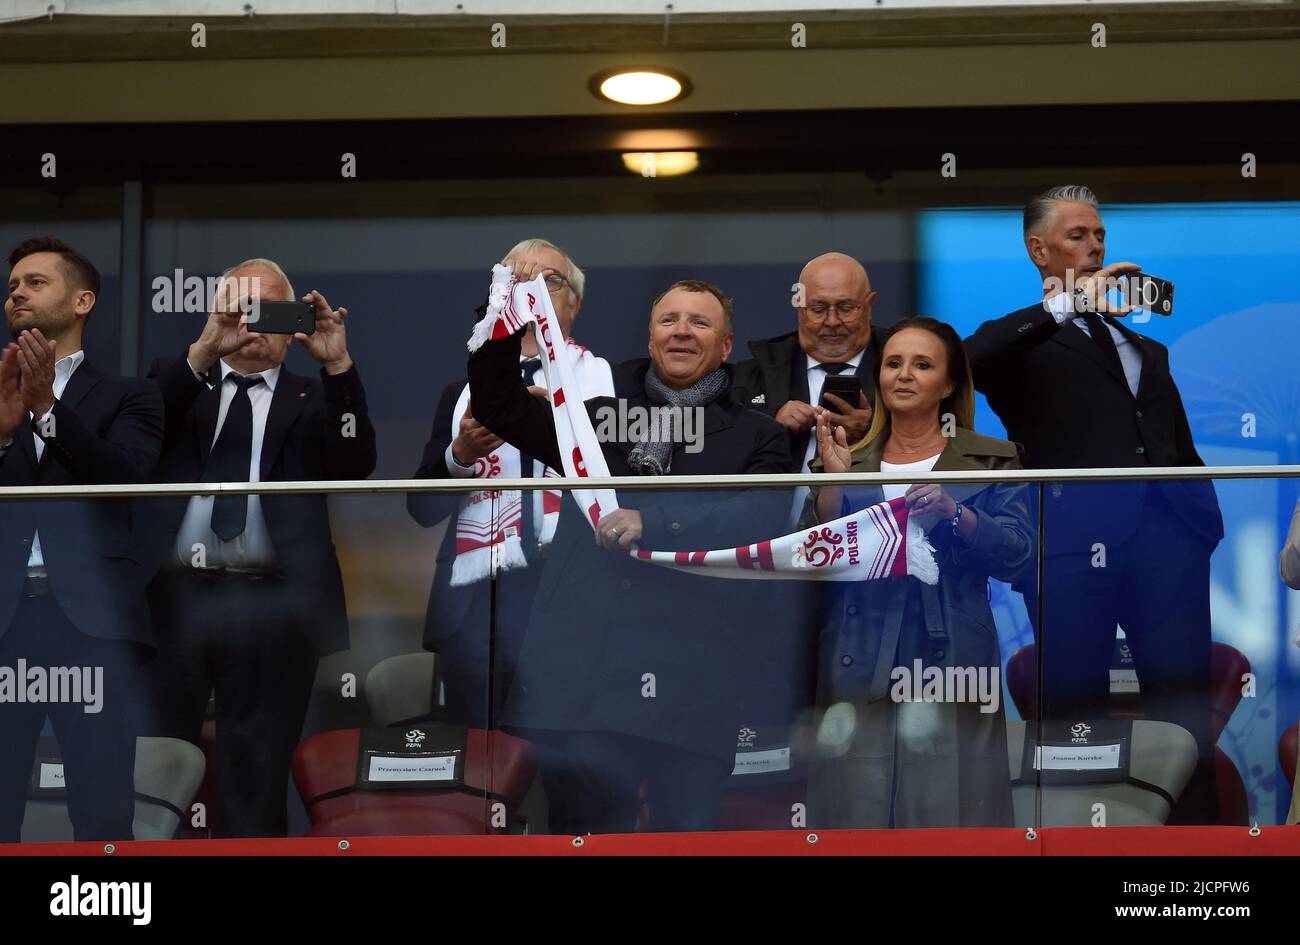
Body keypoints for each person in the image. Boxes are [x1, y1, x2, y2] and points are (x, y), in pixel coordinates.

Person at [467, 275, 789, 833]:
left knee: (682, 846)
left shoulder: (757, 434)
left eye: (699, 323)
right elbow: (496, 405)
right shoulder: (589, 417)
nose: (682, 332)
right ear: (651, 334)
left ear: (726, 345)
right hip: (586, 681)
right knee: (586, 840)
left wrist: (656, 523)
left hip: (694, 682)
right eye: (669, 321)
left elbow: (758, 519)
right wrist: (502, 313)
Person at [965, 184, 1224, 823]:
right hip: (1072, 547)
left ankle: (1194, 854)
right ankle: (1070, 837)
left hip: (1169, 545)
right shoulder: (1025, 344)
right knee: (1071, 705)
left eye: (1101, 235)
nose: (1096, 246)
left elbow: (1175, 445)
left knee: (1185, 710)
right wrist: (1068, 304)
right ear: (1038, 250)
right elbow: (972, 358)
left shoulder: (1147, 348)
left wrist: (1200, 524)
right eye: (1078, 236)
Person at [140, 257, 375, 837]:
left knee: (256, 776)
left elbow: (355, 464)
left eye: (269, 312)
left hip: (273, 609)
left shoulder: (314, 396)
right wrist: (202, 351)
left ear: (293, 323)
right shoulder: (178, 383)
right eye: (241, 309)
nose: (253, 325)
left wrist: (338, 365)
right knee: (151, 771)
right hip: (173, 608)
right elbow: (136, 440)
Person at [806, 316, 1031, 828]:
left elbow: (1021, 555)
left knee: (951, 811)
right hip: (857, 649)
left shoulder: (993, 460)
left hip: (952, 656)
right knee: (853, 810)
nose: (903, 375)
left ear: (948, 384)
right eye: (893, 363)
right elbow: (811, 562)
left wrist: (959, 515)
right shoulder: (846, 460)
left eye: (922, 365)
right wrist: (834, 484)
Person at [407, 238, 612, 728]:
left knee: (567, 759)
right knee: (477, 757)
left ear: (574, 304)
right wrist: (460, 455)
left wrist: (556, 424)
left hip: (570, 588)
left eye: (550, 281)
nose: (534, 291)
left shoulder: (607, 382)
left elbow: (624, 480)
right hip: (478, 597)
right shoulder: (461, 393)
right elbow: (421, 509)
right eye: (520, 281)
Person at [0, 236, 165, 841]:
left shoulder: (132, 395)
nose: (16, 292)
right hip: (4, 620)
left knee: (100, 805)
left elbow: (123, 478)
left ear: (82, 301)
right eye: (12, 284)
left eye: (36, 281)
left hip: (91, 624)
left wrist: (47, 412)